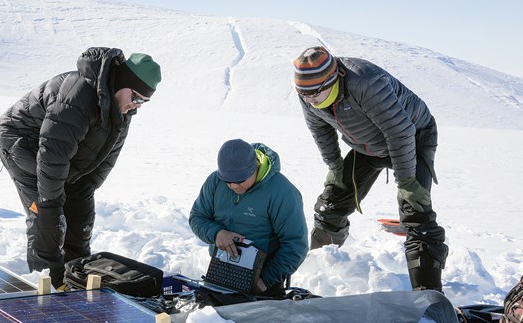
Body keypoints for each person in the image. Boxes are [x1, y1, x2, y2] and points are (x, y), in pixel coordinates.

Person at [0, 47, 161, 288]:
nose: (137, 105)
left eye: (144, 101)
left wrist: (85, 190)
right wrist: (50, 202)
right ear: (122, 84)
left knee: (80, 212)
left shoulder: (122, 111)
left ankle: (75, 277)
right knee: (47, 218)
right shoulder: (78, 94)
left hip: (59, 153)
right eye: (136, 97)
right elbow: (52, 153)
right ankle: (46, 285)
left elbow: (106, 157)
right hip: (24, 145)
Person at [294, 46, 448, 291]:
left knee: (416, 214)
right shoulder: (308, 91)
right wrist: (334, 166)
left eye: (315, 93)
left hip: (413, 137)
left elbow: (399, 131)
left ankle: (428, 295)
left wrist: (407, 182)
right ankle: (316, 276)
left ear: (333, 80)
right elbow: (320, 130)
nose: (309, 99)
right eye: (304, 94)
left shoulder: (366, 82)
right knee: (330, 206)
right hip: (367, 146)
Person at [189, 139, 309, 297]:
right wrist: (216, 233)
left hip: (263, 284)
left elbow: (296, 245)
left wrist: (265, 280)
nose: (233, 186)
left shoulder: (282, 193)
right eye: (228, 181)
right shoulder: (215, 182)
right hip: (220, 274)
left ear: (255, 169)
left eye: (240, 180)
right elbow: (197, 217)